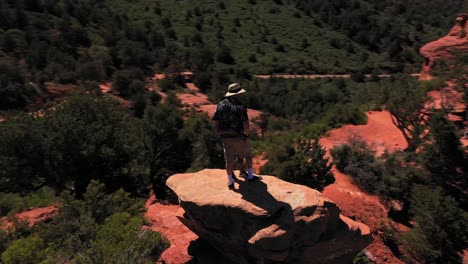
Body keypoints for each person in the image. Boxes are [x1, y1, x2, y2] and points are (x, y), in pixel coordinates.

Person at [212, 83, 260, 189]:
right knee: (247, 155)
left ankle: (230, 182)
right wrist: (246, 135)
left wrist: (222, 130)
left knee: (229, 160)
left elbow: (214, 119)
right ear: (237, 94)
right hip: (238, 136)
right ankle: (250, 177)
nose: (241, 95)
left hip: (225, 137)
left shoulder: (220, 104)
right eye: (240, 94)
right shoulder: (240, 106)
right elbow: (246, 124)